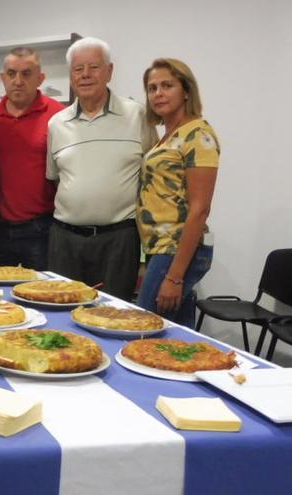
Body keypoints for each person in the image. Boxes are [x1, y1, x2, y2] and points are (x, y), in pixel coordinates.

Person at [46, 37, 156, 301]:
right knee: (62, 314)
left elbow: (152, 177)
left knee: (113, 315)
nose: (85, 75)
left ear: (109, 71)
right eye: (78, 69)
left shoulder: (138, 116)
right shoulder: (56, 123)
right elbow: (55, 178)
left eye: (94, 67)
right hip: (65, 240)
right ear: (71, 75)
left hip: (118, 240)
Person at [136, 58, 220, 327]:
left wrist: (174, 277)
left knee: (144, 329)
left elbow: (200, 209)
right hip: (160, 248)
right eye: (152, 88)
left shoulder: (198, 134)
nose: (158, 94)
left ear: (186, 91)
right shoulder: (168, 135)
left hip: (175, 249)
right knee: (176, 338)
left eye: (167, 85)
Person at [0, 47, 65, 270]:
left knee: (43, 295)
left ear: (40, 78)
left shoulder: (59, 117)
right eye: (12, 73)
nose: (18, 81)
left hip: (42, 228)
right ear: (2, 78)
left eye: (26, 73)